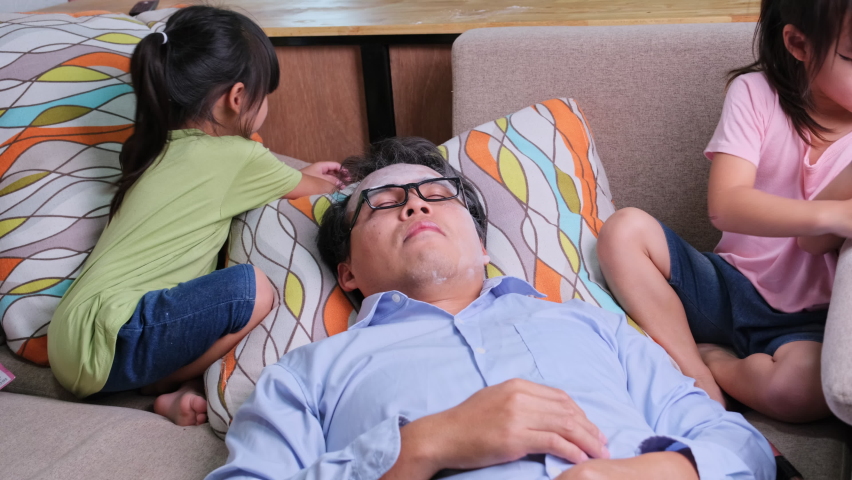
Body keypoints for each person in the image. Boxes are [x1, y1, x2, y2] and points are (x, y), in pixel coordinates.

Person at [206, 137, 775, 480]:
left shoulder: (591, 324)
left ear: (482, 247)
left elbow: (736, 442)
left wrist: (657, 471)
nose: (415, 207)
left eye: (437, 194)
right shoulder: (305, 375)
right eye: (383, 202)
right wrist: (424, 445)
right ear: (348, 270)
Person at [47, 6, 344, 426]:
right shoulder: (238, 155)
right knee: (255, 290)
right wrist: (319, 177)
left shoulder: (154, 148)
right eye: (265, 96)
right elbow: (327, 191)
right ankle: (168, 381)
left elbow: (270, 181)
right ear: (237, 98)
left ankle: (169, 387)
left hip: (69, 337)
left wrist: (299, 175)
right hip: (116, 337)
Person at [596, 0, 852, 423]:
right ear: (799, 45)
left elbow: (812, 244)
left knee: (800, 389)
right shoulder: (756, 93)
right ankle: (694, 374)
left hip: (805, 323)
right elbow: (727, 206)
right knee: (624, 230)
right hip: (727, 287)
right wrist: (836, 215)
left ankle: (714, 361)